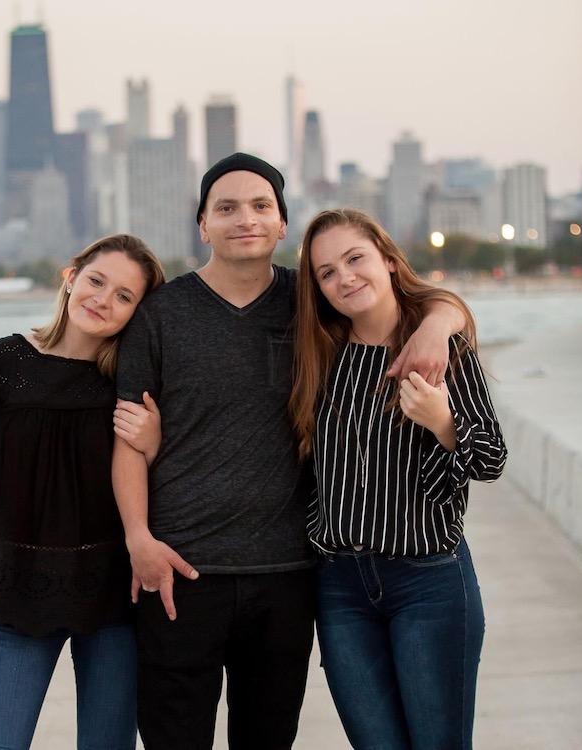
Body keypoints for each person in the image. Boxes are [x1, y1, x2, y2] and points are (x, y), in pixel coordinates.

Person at [111, 153, 466, 750]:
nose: (243, 219)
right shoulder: (160, 315)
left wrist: (439, 323)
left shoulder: (313, 303)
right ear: (202, 225)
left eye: (260, 206)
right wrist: (138, 540)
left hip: (290, 576)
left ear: (281, 225)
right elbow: (127, 440)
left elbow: (404, 297)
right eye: (225, 208)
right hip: (180, 571)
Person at [290, 208, 507, 749]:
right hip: (341, 586)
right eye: (327, 272)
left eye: (355, 259)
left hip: (428, 580)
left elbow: (491, 460)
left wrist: (442, 422)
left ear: (388, 261)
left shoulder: (441, 350)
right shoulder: (321, 352)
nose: (345, 278)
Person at [0, 234, 164, 750]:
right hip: (14, 592)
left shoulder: (133, 381)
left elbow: (155, 483)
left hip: (114, 595)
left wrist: (153, 445)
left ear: (136, 313)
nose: (102, 300)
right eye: (96, 281)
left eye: (124, 296)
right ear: (71, 278)